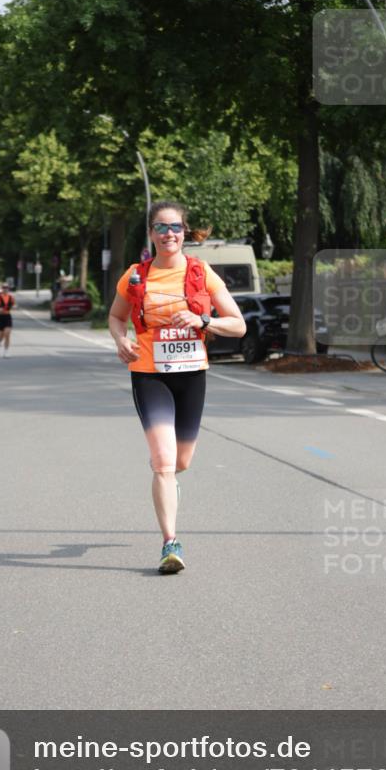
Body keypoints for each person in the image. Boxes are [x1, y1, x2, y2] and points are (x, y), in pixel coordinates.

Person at [109, 201, 246, 574]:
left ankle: (167, 475)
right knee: (164, 461)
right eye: (161, 227)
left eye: (175, 227)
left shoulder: (202, 273)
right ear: (151, 233)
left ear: (185, 232)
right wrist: (120, 340)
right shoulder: (135, 276)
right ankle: (170, 543)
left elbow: (238, 325)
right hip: (149, 373)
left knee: (180, 462)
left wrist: (204, 320)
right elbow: (117, 317)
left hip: (191, 374)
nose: (169, 234)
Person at [0, 282, 16, 356]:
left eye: (6, 287)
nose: (5, 289)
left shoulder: (11, 297)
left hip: (7, 316)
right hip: (0, 317)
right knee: (1, 335)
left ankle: (6, 351)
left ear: (8, 289)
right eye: (4, 287)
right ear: (2, 289)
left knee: (7, 333)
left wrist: (14, 307)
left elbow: (14, 304)